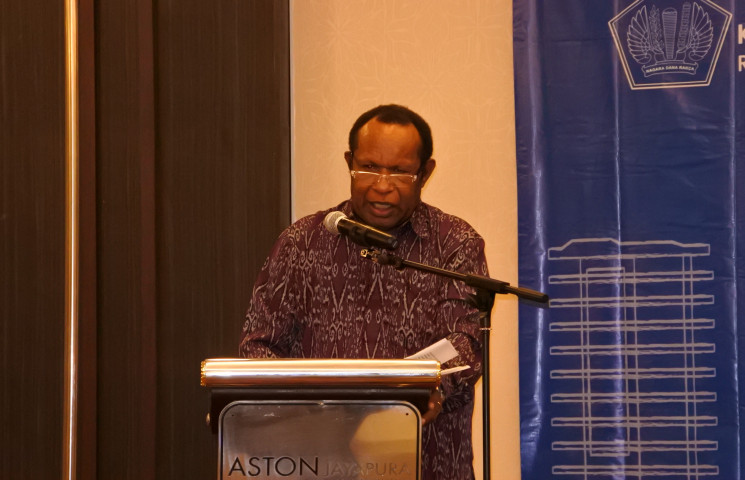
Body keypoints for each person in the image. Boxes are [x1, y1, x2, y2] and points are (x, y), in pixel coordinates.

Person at [239, 104, 488, 480]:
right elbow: (258, 345)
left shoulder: (455, 244)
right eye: (369, 167)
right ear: (349, 163)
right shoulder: (302, 242)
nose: (382, 185)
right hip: (318, 459)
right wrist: (311, 406)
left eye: (400, 171)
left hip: (428, 459)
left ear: (425, 173)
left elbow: (465, 343)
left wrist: (428, 389)